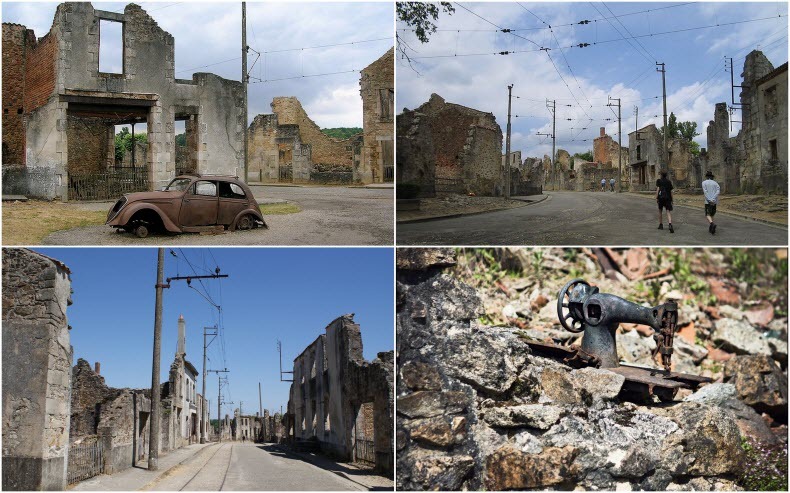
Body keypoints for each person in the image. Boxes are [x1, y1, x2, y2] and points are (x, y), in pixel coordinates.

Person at [702, 169, 720, 235]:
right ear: (712, 176)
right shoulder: (716, 183)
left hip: (708, 201)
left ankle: (712, 224)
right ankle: (711, 228)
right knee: (712, 214)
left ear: (706, 176)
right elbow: (718, 192)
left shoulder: (704, 183)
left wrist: (709, 199)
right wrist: (713, 198)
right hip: (714, 201)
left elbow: (705, 192)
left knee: (707, 214)